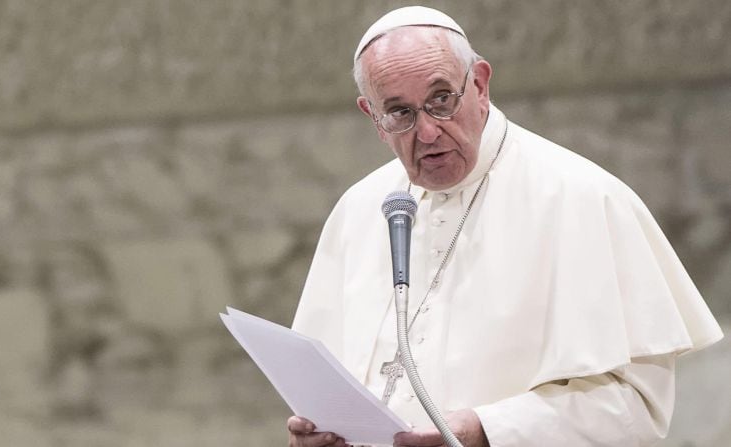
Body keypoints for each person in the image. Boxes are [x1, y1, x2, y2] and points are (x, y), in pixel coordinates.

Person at [287, 6, 723, 447]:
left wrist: (487, 431)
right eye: (399, 113)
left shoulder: (581, 197)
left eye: (441, 100)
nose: (429, 132)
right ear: (372, 116)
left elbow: (637, 408)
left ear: (479, 84)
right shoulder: (360, 208)